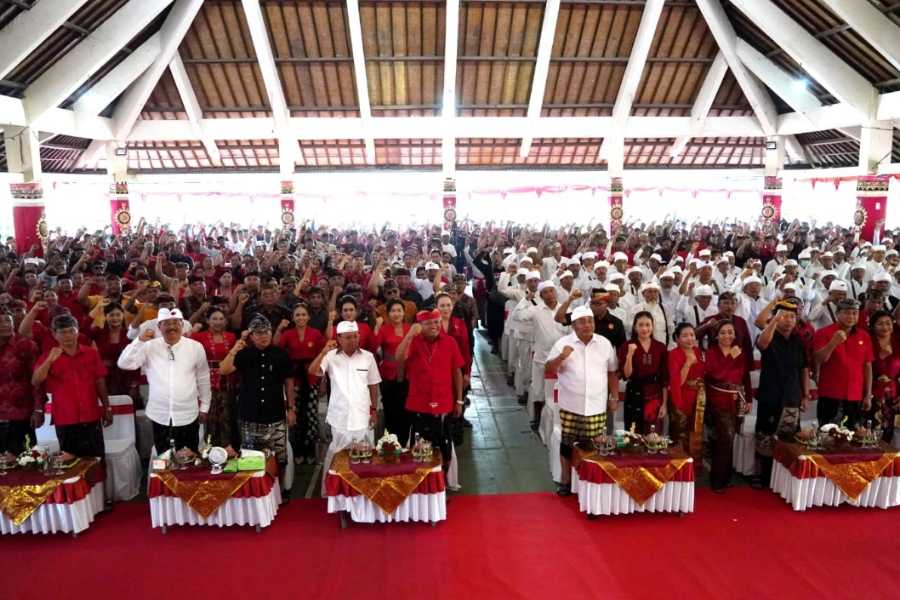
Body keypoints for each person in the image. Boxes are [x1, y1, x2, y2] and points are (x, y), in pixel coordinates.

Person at [545, 306, 619, 496]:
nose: (588, 325)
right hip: (571, 404)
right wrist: (562, 357)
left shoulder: (604, 343)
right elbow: (549, 369)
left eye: (590, 321)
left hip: (596, 404)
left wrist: (615, 396)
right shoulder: (563, 343)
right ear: (574, 325)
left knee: (595, 445)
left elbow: (612, 373)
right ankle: (565, 480)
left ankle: (590, 482)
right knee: (568, 444)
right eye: (583, 322)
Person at [117, 308, 211, 453]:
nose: (171, 327)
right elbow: (124, 363)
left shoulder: (195, 347)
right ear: (159, 327)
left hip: (188, 414)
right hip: (159, 414)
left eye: (175, 323)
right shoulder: (149, 346)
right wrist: (139, 341)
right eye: (166, 323)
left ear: (182, 325)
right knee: (163, 459)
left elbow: (203, 379)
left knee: (189, 457)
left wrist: (205, 406)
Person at [219, 315, 294, 495]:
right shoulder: (244, 354)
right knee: (251, 456)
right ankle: (255, 491)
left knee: (280, 457)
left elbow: (289, 382)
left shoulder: (280, 354)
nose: (264, 336)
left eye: (267, 331)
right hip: (249, 413)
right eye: (259, 333)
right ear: (251, 336)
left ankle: (282, 489)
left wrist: (291, 408)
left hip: (275, 412)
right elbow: (224, 369)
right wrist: (234, 349)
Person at [309, 320, 381, 493]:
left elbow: (373, 385)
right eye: (348, 337)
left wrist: (374, 411)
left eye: (355, 336)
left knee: (364, 454)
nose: (353, 340)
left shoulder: (368, 357)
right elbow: (313, 371)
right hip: (339, 416)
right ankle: (332, 491)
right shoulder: (331, 356)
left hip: (362, 415)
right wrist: (323, 352)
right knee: (337, 454)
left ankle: (364, 489)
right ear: (339, 339)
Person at [32, 314, 112, 458]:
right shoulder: (48, 356)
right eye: (62, 332)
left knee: (97, 460)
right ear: (54, 334)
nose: (68, 335)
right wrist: (50, 360)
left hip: (91, 415)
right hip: (65, 418)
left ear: (77, 331)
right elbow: (36, 381)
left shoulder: (91, 353)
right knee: (70, 462)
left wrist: (107, 407)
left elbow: (100, 382)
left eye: (71, 331)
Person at [396, 310, 464, 473]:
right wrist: (410, 334)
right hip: (419, 403)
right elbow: (399, 357)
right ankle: (421, 486)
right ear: (420, 325)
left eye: (436, 322)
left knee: (444, 447)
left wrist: (459, 400)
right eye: (429, 323)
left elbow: (457, 373)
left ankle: (441, 486)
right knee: (419, 449)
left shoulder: (450, 342)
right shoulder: (414, 342)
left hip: (443, 402)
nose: (434, 326)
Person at [753, 298, 810, 488]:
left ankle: (784, 479)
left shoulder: (798, 340)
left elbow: (803, 369)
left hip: (792, 397)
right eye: (784, 316)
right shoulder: (769, 335)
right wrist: (773, 320)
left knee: (789, 439)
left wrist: (806, 394)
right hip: (770, 395)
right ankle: (763, 478)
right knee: (765, 437)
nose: (788, 320)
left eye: (792, 317)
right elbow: (762, 344)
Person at [275, 303, 325, 464]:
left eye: (304, 314)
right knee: (295, 413)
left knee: (310, 414)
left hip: (311, 377)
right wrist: (279, 329)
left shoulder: (316, 333)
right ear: (293, 318)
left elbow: (323, 357)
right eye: (297, 315)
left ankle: (310, 448)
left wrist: (322, 379)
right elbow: (277, 349)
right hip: (294, 378)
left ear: (309, 317)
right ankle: (297, 449)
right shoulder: (288, 334)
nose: (301, 317)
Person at [704, 320, 750, 493]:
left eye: (730, 332)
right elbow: (716, 374)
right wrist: (730, 357)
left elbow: (743, 377)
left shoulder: (740, 351)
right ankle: (717, 481)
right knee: (725, 438)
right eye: (723, 332)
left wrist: (748, 400)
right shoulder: (711, 353)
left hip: (736, 399)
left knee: (729, 440)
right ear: (716, 335)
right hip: (717, 400)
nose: (727, 336)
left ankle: (725, 478)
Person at [813, 298, 873, 428]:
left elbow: (867, 366)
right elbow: (818, 359)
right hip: (830, 393)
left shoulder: (864, 336)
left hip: (855, 394)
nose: (851, 316)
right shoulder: (823, 333)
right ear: (837, 313)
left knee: (852, 435)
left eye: (854, 313)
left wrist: (868, 395)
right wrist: (833, 343)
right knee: (827, 435)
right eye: (846, 312)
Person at [190, 307, 237, 448]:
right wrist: (192, 331)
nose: (218, 322)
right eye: (214, 319)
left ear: (226, 321)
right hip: (205, 381)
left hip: (227, 381)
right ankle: (210, 449)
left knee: (226, 416)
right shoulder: (198, 337)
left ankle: (227, 447)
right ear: (207, 320)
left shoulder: (231, 337)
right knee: (209, 416)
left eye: (221, 319)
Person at [0, 312, 43, 456]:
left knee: (25, 464)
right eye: (0, 321)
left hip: (21, 414)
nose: (5, 324)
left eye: (8, 320)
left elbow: (36, 380)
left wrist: (38, 409)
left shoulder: (25, 345)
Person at [619, 311, 668, 434]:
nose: (644, 328)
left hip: (655, 395)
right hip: (634, 393)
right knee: (633, 435)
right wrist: (630, 355)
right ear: (635, 327)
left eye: (647, 325)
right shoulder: (627, 346)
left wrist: (664, 404)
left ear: (652, 326)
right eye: (640, 325)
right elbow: (626, 375)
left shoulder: (660, 347)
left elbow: (664, 378)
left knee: (653, 434)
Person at [373, 299, 411, 445]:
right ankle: (391, 443)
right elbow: (375, 346)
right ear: (388, 314)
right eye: (393, 311)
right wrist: (377, 327)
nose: (396, 314)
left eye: (399, 310)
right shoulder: (384, 329)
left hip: (408, 374)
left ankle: (405, 442)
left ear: (404, 312)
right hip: (389, 374)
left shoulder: (410, 328)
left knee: (406, 409)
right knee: (390, 409)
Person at [667, 322, 705, 457]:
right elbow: (678, 382)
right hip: (681, 396)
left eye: (692, 335)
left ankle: (692, 468)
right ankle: (678, 469)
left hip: (697, 397)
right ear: (677, 339)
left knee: (694, 432)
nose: (689, 338)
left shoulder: (699, 352)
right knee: (679, 433)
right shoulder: (673, 354)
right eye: (684, 336)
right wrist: (688, 363)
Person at [89, 302, 138, 398]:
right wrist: (96, 309)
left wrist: (134, 384)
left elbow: (135, 359)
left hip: (126, 380)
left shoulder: (129, 334)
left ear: (123, 316)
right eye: (111, 315)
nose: (115, 318)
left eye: (118, 315)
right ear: (105, 316)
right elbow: (83, 329)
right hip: (104, 380)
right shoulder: (99, 333)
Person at [868, 310, 900, 442]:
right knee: (870, 430)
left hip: (893, 394)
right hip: (871, 393)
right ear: (873, 326)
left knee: (888, 432)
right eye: (880, 324)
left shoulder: (898, 341)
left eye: (888, 323)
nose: (885, 327)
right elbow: (865, 367)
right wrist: (881, 356)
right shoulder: (867, 341)